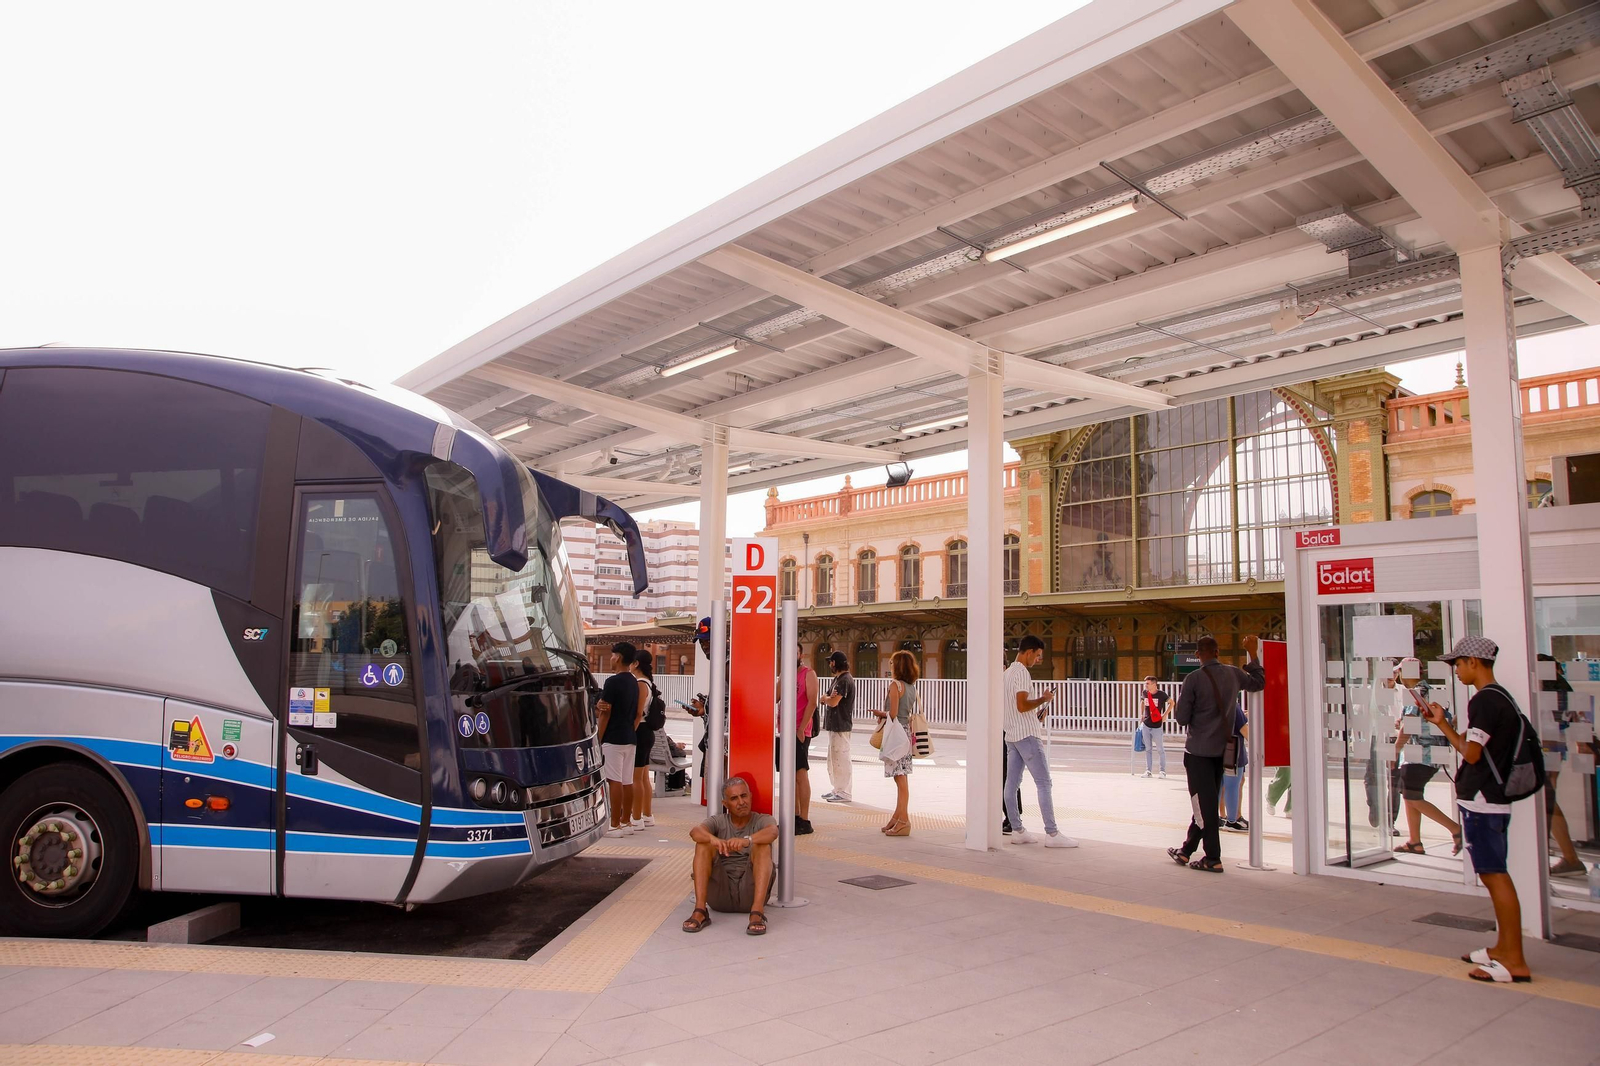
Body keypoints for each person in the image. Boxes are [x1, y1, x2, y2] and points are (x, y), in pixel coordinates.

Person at [1421, 635, 1532, 983]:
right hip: (1493, 799)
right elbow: (1471, 748)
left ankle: (1514, 960)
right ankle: (1503, 948)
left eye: (1458, 663)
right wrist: (1442, 724)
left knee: (1494, 875)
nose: (1456, 670)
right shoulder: (1501, 698)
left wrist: (1450, 729)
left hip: (1484, 800)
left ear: (1474, 662)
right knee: (1493, 872)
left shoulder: (1484, 701)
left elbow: (1471, 754)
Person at [1167, 634, 1264, 872]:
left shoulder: (1193, 679)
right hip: (1221, 751)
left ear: (1197, 655)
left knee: (1204, 805)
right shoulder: (1234, 674)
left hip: (1198, 752)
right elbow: (1258, 682)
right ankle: (1186, 851)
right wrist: (1253, 653)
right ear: (1218, 652)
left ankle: (1213, 858)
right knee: (1206, 803)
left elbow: (1181, 718)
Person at [1003, 635, 1077, 848]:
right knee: (1044, 783)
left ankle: (1018, 831)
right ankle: (1052, 834)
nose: (1037, 660)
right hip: (1027, 735)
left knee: (1011, 784)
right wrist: (1044, 699)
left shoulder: (1006, 674)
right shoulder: (1022, 673)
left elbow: (1015, 708)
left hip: (1012, 735)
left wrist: (1036, 713)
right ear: (1029, 652)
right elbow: (1021, 705)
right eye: (1037, 656)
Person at [683, 777, 778, 936]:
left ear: (750, 796)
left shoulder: (763, 819)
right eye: (734, 798)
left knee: (762, 846)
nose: (741, 802)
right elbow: (695, 832)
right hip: (720, 895)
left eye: (744, 796)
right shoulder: (718, 821)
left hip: (750, 893)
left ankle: (757, 913)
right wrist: (713, 839)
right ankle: (700, 911)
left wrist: (747, 841)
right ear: (725, 804)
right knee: (703, 844)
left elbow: (773, 832)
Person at [1392, 695, 1460, 857]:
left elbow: (1408, 728)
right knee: (1410, 795)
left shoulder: (1415, 694)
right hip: (1431, 755)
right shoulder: (1431, 693)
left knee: (1412, 798)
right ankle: (1414, 842)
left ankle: (1456, 830)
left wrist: (1395, 751)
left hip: (1419, 755)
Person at [1539, 654, 1587, 877]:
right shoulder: (1563, 689)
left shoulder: (1545, 693)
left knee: (1546, 803)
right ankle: (1564, 855)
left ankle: (1569, 857)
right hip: (1557, 749)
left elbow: (1546, 726)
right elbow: (1575, 719)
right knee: (1548, 803)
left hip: (1546, 749)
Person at [596, 641, 640, 837]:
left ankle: (614, 825)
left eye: (613, 655)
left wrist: (598, 738)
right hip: (630, 736)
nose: (611, 658)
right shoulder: (633, 681)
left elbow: (605, 712)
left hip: (613, 737)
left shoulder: (612, 682)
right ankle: (626, 821)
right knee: (627, 780)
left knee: (614, 780)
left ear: (619, 657)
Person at [873, 649, 919, 836]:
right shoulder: (911, 687)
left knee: (899, 779)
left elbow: (892, 713)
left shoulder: (895, 685)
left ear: (897, 666)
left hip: (895, 734)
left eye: (892, 663)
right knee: (902, 776)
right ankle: (897, 817)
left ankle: (904, 821)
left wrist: (879, 713)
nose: (890, 666)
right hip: (905, 733)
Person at [775, 644, 818, 835]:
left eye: (795, 653)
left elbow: (812, 702)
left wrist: (801, 729)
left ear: (801, 655)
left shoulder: (809, 674)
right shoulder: (785, 675)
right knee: (789, 776)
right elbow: (775, 697)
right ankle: (794, 816)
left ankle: (805, 819)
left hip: (799, 731)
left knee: (801, 774)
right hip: (783, 731)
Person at [630, 650, 663, 829]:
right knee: (643, 777)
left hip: (640, 731)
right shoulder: (648, 683)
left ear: (636, 664)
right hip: (646, 732)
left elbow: (638, 712)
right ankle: (647, 815)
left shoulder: (641, 684)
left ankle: (636, 818)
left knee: (636, 778)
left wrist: (630, 732)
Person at [819, 651, 856, 804]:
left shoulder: (844, 680)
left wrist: (826, 698)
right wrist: (827, 698)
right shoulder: (838, 679)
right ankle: (837, 789)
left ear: (834, 663)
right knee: (834, 759)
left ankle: (844, 792)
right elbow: (827, 697)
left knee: (841, 758)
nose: (829, 665)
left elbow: (833, 701)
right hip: (835, 725)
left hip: (841, 725)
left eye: (830, 662)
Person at [1221, 701, 1249, 832]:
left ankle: (1223, 816)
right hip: (1233, 751)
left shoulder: (1214, 699)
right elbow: (1244, 729)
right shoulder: (1232, 703)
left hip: (1218, 747)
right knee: (1232, 785)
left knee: (1223, 784)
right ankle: (1232, 820)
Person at [1136, 676, 1170, 779]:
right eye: (1145, 683)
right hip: (1146, 724)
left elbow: (1172, 703)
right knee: (1148, 749)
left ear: (1154, 684)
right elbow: (1142, 702)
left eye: (1148, 683)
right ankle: (1148, 771)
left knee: (1160, 749)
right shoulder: (1145, 693)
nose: (1146, 685)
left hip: (1157, 725)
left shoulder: (1161, 694)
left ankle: (1162, 771)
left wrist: (1165, 715)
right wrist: (1142, 714)